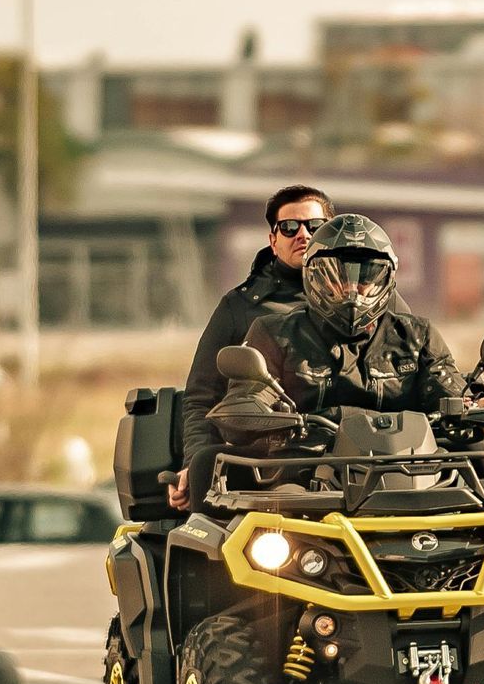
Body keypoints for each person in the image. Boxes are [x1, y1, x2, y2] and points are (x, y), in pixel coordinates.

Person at [168, 184, 335, 511]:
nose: (303, 235)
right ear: (273, 240)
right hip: (274, 466)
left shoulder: (373, 297)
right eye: (290, 227)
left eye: (315, 226)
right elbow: (202, 397)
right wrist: (195, 465)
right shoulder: (241, 307)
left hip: (368, 461)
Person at [241, 213, 468, 427]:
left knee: (478, 444)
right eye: (336, 277)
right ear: (311, 275)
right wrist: (251, 409)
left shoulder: (417, 337)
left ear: (386, 278)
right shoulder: (274, 333)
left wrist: (470, 407)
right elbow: (250, 398)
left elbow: (453, 397)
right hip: (304, 453)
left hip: (404, 455)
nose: (351, 289)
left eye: (365, 277)